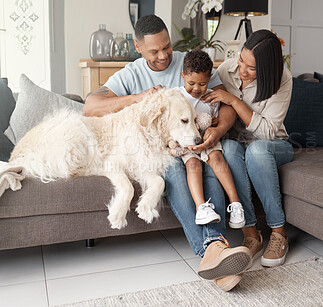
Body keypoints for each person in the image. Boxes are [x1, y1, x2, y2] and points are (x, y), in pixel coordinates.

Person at [83, 15, 251, 292]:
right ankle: (215, 248)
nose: (163, 56)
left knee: (210, 162)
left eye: (167, 47)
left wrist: (217, 130)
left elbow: (226, 103)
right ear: (138, 47)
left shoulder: (190, 64)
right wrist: (139, 98)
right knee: (173, 168)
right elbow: (90, 106)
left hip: (200, 141)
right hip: (164, 151)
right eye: (154, 51)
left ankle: (216, 251)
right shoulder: (132, 73)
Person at [202, 29, 294, 270]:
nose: (242, 69)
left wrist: (234, 101)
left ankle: (279, 232)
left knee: (257, 151)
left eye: (251, 68)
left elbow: (266, 132)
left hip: (274, 145)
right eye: (241, 60)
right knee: (229, 150)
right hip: (238, 143)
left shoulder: (282, 79)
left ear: (267, 68)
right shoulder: (226, 70)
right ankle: (251, 234)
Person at [175, 50, 245, 228]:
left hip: (207, 141)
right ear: (182, 76)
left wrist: (214, 123)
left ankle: (235, 204)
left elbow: (214, 120)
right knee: (193, 165)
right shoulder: (176, 97)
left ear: (210, 78)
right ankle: (201, 208)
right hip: (187, 144)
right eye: (191, 83)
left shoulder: (212, 97)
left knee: (217, 159)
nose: (197, 89)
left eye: (202, 83)